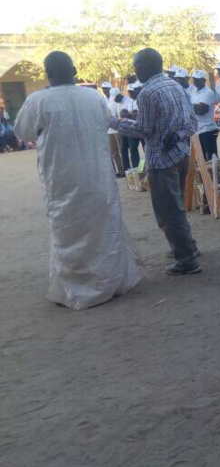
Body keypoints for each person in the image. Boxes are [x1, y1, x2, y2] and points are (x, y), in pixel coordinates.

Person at [13, 51, 143, 309]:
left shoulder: (38, 100)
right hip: (98, 178)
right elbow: (106, 123)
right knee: (103, 228)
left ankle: (76, 289)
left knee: (68, 230)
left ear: (48, 74)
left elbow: (22, 131)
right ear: (74, 70)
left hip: (62, 179)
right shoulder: (93, 97)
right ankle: (111, 282)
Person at [111, 48, 202, 275]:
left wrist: (114, 122)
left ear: (145, 67)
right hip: (181, 153)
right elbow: (192, 122)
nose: (135, 70)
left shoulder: (147, 93)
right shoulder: (176, 86)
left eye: (136, 66)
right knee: (177, 208)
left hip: (161, 161)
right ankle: (187, 247)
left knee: (168, 212)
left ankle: (187, 259)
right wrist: (178, 137)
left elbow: (144, 130)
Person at [191, 69, 219, 161]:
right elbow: (193, 108)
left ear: (204, 80)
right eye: (194, 78)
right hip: (197, 129)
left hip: (208, 129)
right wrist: (195, 106)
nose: (195, 81)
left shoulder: (208, 92)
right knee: (201, 157)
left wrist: (192, 106)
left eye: (198, 79)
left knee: (211, 157)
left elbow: (201, 110)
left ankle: (214, 174)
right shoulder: (193, 92)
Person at [115, 84, 141, 170]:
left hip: (139, 128)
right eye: (129, 91)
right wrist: (130, 114)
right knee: (128, 149)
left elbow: (135, 115)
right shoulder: (131, 101)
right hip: (130, 128)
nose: (130, 93)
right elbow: (126, 114)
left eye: (132, 91)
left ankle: (138, 168)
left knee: (137, 149)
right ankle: (131, 169)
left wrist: (128, 114)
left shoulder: (138, 100)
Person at [102, 82, 125, 178]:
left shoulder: (114, 99)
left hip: (117, 129)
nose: (104, 90)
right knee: (113, 152)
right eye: (103, 88)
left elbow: (118, 113)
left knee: (121, 150)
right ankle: (119, 171)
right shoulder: (103, 99)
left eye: (106, 88)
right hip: (108, 130)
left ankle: (125, 169)